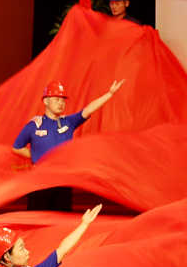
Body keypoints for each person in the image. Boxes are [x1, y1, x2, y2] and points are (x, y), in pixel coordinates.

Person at [13, 79, 125, 212]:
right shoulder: (34, 126)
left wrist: (110, 94)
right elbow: (17, 147)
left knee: (61, 219)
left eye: (63, 100)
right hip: (39, 181)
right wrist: (37, 155)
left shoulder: (69, 122)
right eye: (56, 99)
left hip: (63, 181)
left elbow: (89, 109)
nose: (60, 103)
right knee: (36, 219)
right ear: (46, 101)